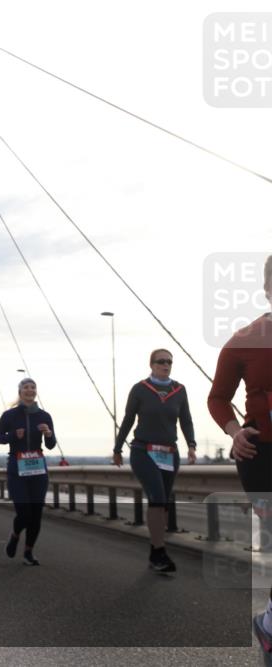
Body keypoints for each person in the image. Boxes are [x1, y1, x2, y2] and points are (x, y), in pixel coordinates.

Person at [207, 254, 272, 659]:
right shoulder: (245, 339)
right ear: (268, 289)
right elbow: (218, 398)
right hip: (261, 454)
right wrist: (233, 433)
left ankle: (268, 621)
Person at [112, 348, 197, 573]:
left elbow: (186, 420)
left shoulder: (179, 390)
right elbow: (128, 419)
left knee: (163, 501)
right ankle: (159, 552)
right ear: (151, 364)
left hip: (169, 453)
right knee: (157, 498)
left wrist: (191, 445)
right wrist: (118, 447)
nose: (166, 365)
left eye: (169, 362)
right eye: (161, 361)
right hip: (143, 451)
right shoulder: (140, 389)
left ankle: (155, 550)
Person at [0, 378, 56, 566]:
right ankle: (14, 536)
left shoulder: (44, 416)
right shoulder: (9, 415)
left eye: (33, 387)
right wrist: (13, 435)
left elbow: (51, 445)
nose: (30, 390)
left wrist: (48, 434)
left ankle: (28, 552)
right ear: (20, 392)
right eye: (26, 388)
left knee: (36, 513)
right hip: (17, 465)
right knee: (24, 512)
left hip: (37, 467)